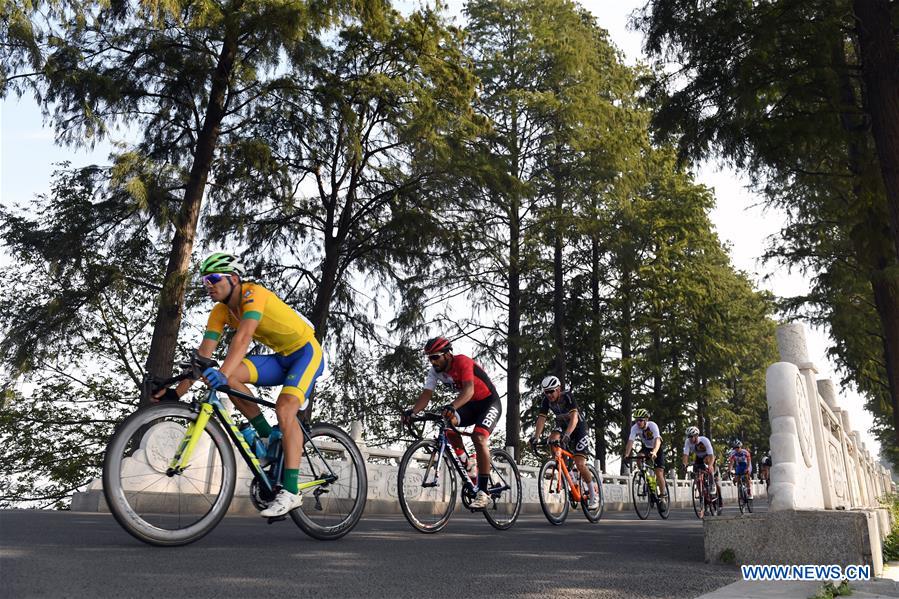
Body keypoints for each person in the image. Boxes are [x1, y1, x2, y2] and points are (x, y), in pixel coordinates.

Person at [153, 252, 324, 518]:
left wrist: (220, 372)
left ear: (233, 279)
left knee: (285, 409)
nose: (207, 285)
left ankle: (291, 491)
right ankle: (268, 437)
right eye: (204, 280)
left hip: (305, 353)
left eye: (213, 278)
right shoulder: (220, 311)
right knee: (231, 379)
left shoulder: (252, 293)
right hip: (280, 358)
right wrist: (175, 392)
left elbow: (243, 338)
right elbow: (203, 358)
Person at [402, 337, 502, 510]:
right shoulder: (435, 372)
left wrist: (453, 405)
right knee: (447, 424)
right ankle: (468, 463)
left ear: (448, 354)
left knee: (479, 437)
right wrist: (413, 412)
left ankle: (484, 492)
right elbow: (426, 395)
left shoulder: (462, 361)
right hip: (469, 404)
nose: (432, 362)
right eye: (429, 358)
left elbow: (469, 390)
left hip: (488, 402)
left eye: (435, 357)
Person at [527, 375, 600, 510]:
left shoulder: (568, 396)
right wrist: (536, 436)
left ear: (558, 389)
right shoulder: (546, 401)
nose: (549, 395)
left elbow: (574, 419)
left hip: (578, 427)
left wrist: (567, 435)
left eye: (551, 391)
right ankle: (565, 470)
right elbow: (541, 419)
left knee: (579, 463)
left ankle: (594, 495)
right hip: (562, 425)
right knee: (552, 439)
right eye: (546, 392)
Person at [623, 408, 668, 506]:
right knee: (639, 457)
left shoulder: (652, 425)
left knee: (659, 472)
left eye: (640, 420)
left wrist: (655, 452)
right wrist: (627, 454)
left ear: (646, 420)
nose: (638, 422)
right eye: (636, 420)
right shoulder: (635, 428)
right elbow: (630, 441)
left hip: (657, 448)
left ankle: (663, 496)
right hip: (646, 448)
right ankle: (645, 477)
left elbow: (657, 440)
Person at [682, 426, 721, 500]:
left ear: (696, 436)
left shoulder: (704, 440)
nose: (689, 438)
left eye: (691, 436)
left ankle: (713, 485)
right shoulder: (687, 441)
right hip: (699, 457)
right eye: (688, 436)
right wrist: (684, 464)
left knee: (710, 468)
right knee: (698, 476)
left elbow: (711, 455)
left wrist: (710, 465)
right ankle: (702, 495)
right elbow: (685, 455)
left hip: (708, 456)